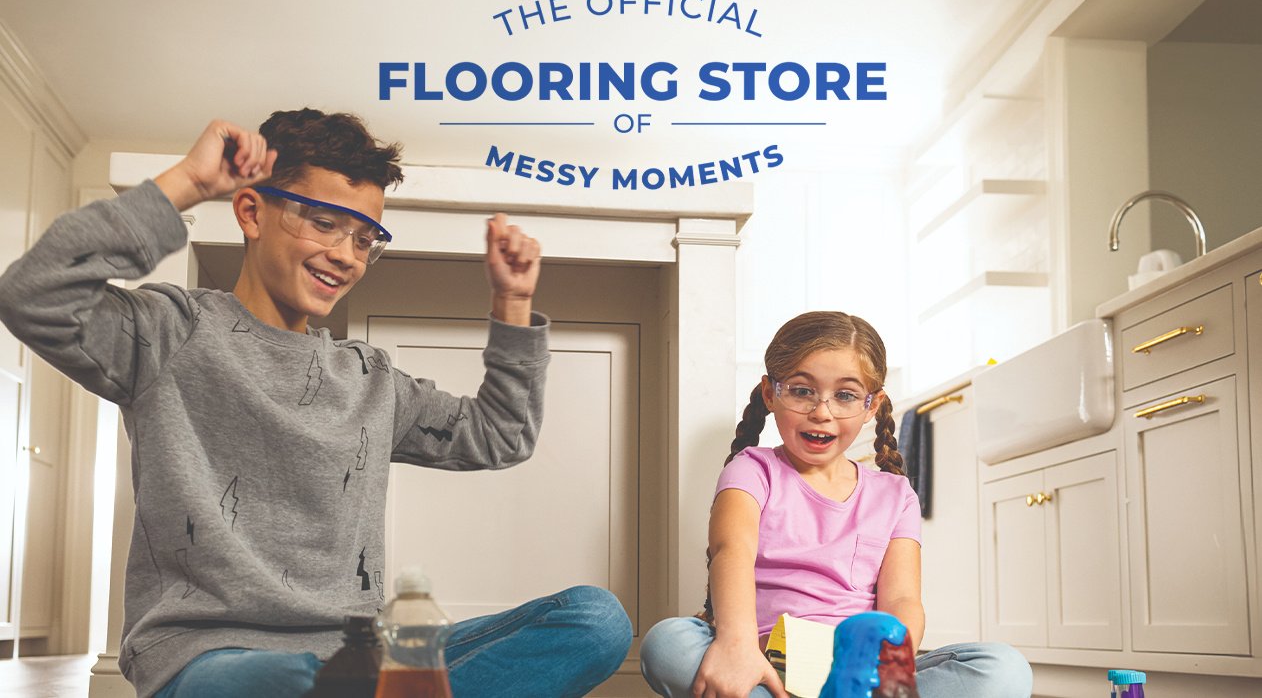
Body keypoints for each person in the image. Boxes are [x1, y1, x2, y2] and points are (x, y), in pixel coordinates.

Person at [0, 110, 631, 698]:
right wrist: (188, 183)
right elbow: (33, 295)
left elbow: (499, 436)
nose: (345, 255)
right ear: (250, 211)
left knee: (596, 620)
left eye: (364, 238)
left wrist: (513, 305)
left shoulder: (370, 379)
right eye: (324, 222)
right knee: (313, 681)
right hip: (207, 658)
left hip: (358, 654)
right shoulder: (170, 331)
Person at [638, 311, 1032, 698]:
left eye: (844, 395)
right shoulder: (753, 470)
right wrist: (736, 645)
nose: (822, 412)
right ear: (770, 394)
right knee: (668, 643)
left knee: (1001, 668)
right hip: (760, 661)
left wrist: (888, 666)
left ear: (871, 405)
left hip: (857, 670)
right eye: (802, 390)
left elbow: (902, 601)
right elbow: (732, 552)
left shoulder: (896, 496)